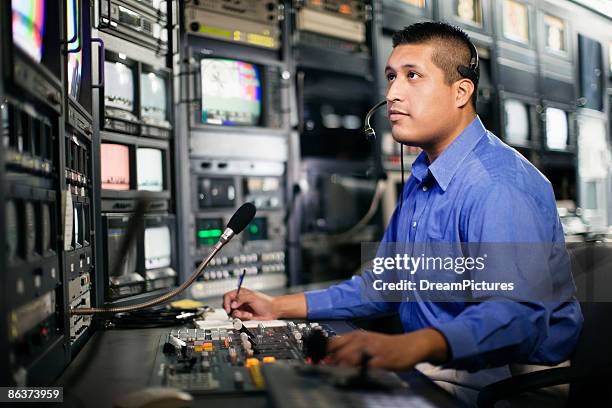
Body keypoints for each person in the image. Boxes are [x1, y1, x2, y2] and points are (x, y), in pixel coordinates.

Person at [222, 22, 583, 406]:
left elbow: (517, 318)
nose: (392, 94)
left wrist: (407, 347)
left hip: (504, 378)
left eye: (413, 76)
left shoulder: (498, 184)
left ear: (461, 91)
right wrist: (279, 306)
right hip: (439, 363)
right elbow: (383, 283)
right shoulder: (424, 176)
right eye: (391, 77)